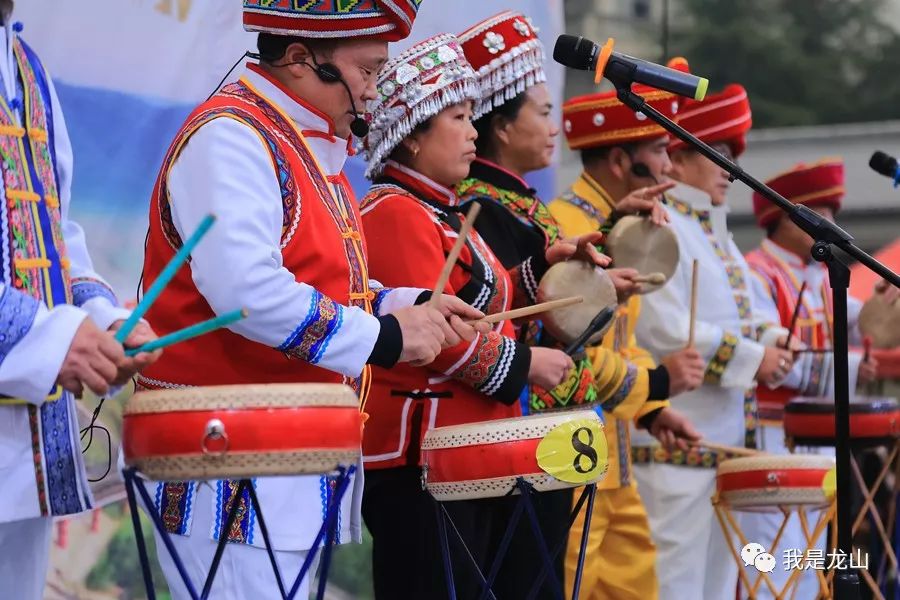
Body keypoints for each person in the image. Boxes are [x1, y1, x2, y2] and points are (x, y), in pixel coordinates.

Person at [136, 4, 485, 598]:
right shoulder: (233, 136)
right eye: (370, 73)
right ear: (302, 60)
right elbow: (244, 292)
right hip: (225, 465)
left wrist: (407, 303)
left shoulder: (304, 147)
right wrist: (387, 337)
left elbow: (325, 284)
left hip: (282, 458)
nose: (377, 92)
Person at [359, 33, 606, 600]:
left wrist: (543, 266)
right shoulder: (396, 212)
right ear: (413, 136)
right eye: (459, 117)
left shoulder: (439, 213)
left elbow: (484, 306)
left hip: (459, 449)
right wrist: (525, 363)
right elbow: (436, 332)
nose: (474, 132)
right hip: (417, 456)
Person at [0, 2, 159, 598]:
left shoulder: (24, 67)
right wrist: (54, 339)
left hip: (22, 442)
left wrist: (105, 321)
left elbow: (53, 238)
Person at [544, 71, 706, 600]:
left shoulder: (619, 227)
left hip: (612, 453)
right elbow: (577, 350)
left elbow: (619, 341)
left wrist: (653, 408)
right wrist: (655, 382)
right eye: (659, 151)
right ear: (619, 162)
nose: (667, 166)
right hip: (569, 450)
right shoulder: (566, 227)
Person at [630, 82, 795, 599]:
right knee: (674, 584)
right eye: (719, 153)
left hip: (726, 444)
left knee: (723, 586)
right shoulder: (658, 225)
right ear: (674, 158)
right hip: (674, 444)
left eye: (734, 155)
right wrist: (754, 357)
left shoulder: (714, 229)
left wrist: (773, 340)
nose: (730, 168)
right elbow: (664, 326)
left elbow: (754, 308)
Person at [743, 158, 885, 597]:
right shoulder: (756, 271)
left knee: (807, 552)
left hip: (815, 435)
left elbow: (867, 325)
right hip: (770, 435)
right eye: (820, 214)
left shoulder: (822, 276)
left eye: (832, 213)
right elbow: (768, 356)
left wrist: (887, 306)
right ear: (785, 216)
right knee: (771, 549)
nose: (831, 223)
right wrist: (850, 368)